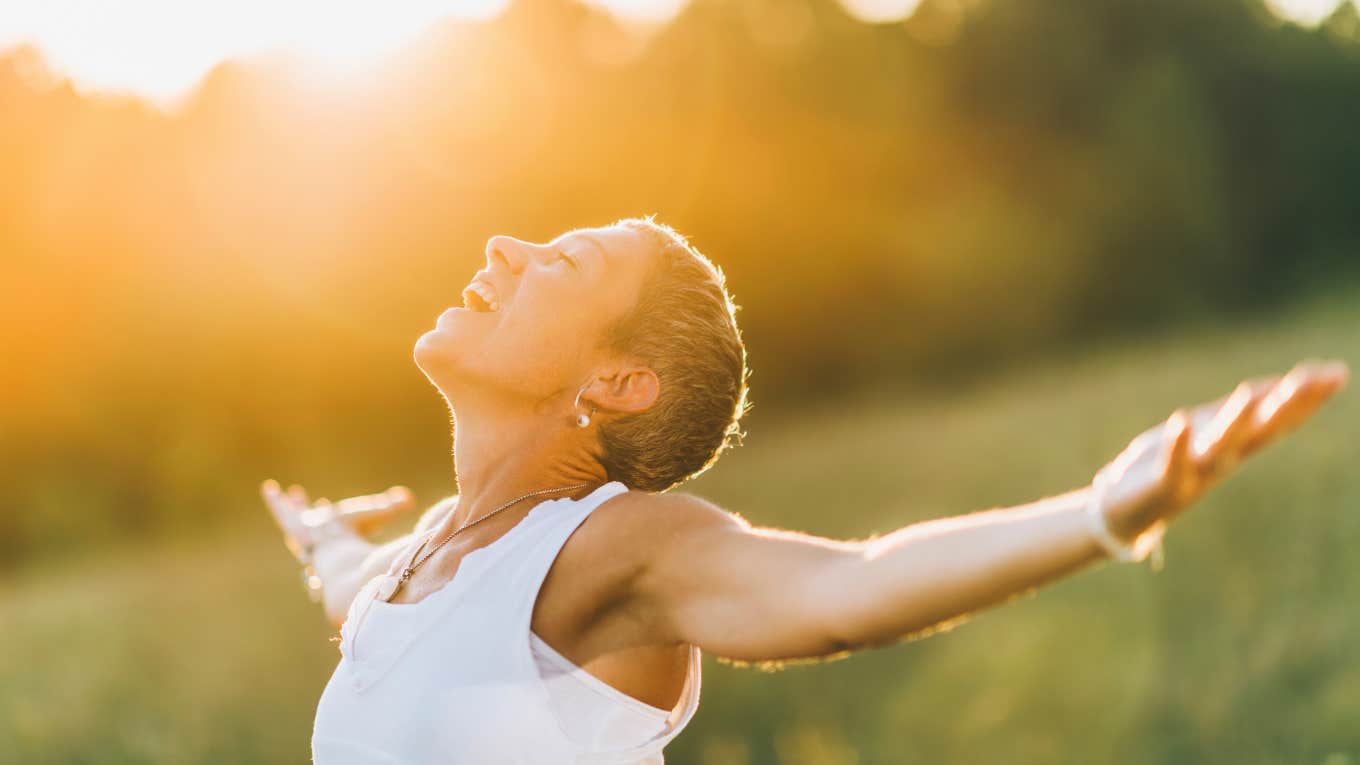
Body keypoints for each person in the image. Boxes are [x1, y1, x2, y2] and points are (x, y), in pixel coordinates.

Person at [262, 215, 1349, 764]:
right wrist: (320, 538)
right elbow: (360, 595)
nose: (504, 244)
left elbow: (848, 591)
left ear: (616, 383)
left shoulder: (613, 550)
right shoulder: (432, 559)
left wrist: (1101, 515)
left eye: (562, 262)